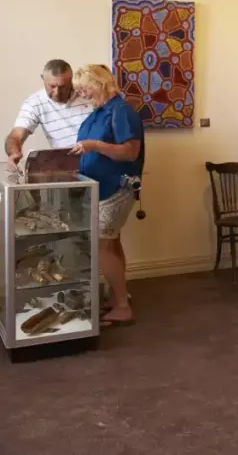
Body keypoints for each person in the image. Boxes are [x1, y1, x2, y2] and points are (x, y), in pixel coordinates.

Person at [69, 64, 145, 328]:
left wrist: (96, 146)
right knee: (111, 244)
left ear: (99, 82)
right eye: (79, 90)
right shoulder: (98, 113)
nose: (82, 93)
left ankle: (123, 306)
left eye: (84, 88)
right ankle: (117, 297)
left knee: (101, 245)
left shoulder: (121, 111)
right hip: (99, 188)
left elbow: (130, 152)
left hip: (116, 188)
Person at [5, 59, 93, 170]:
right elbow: (16, 135)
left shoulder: (88, 95)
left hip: (97, 159)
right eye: (52, 86)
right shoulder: (34, 103)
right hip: (67, 166)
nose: (57, 93)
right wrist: (14, 153)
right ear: (43, 79)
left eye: (62, 87)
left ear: (72, 79)